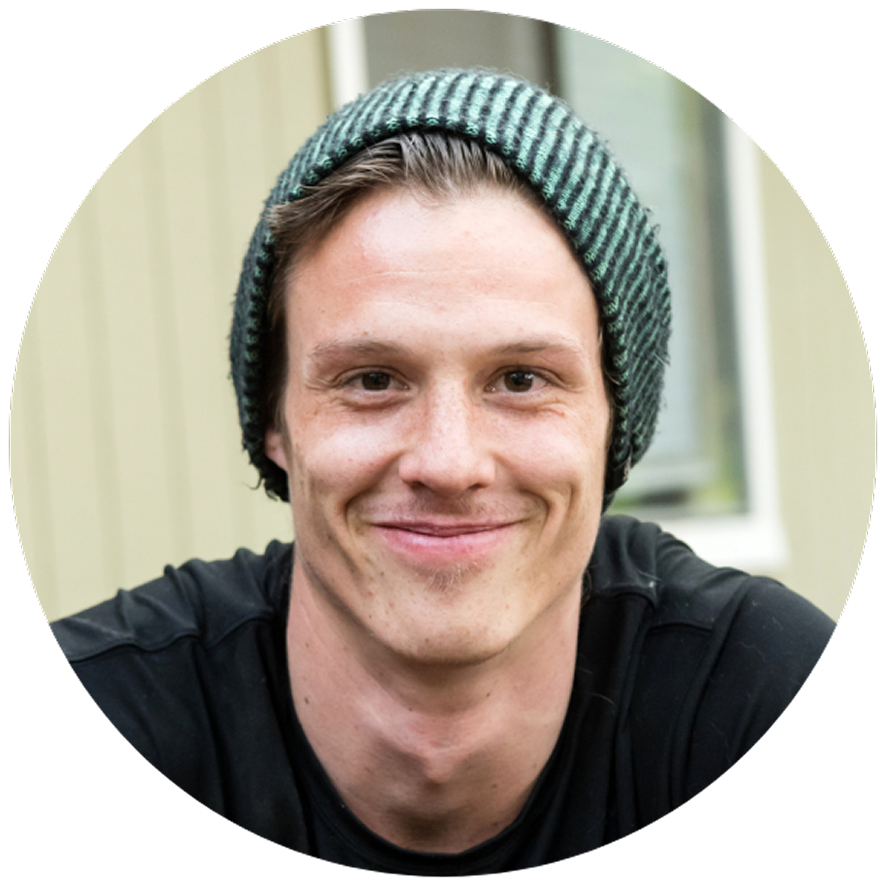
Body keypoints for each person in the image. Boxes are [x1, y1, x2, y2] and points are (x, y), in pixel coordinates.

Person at [50, 68, 835, 873]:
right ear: (274, 422)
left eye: (522, 379)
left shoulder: (757, 695)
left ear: (614, 427)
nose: (449, 462)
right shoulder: (119, 706)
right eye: (373, 380)